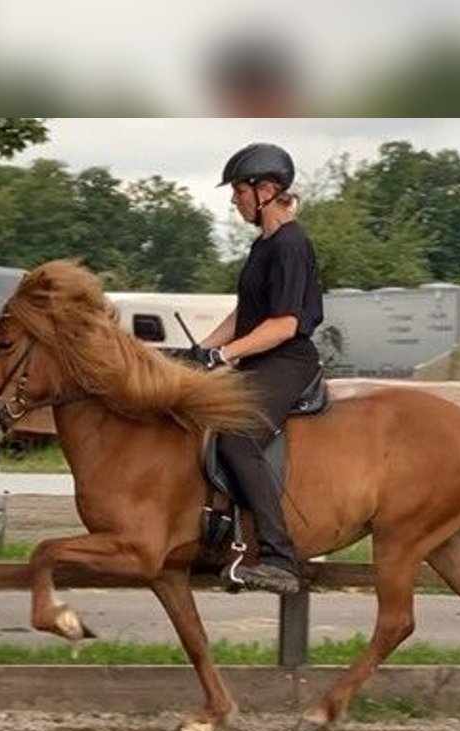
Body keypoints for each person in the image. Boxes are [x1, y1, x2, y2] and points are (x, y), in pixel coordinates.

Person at [187, 142, 324, 595]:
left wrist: (223, 357)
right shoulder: (263, 245)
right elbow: (244, 315)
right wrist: (198, 352)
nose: (234, 200)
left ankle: (280, 558)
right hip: (262, 358)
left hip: (287, 361)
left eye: (239, 191)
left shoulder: (290, 245)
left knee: (238, 438)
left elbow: (283, 325)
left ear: (266, 190)